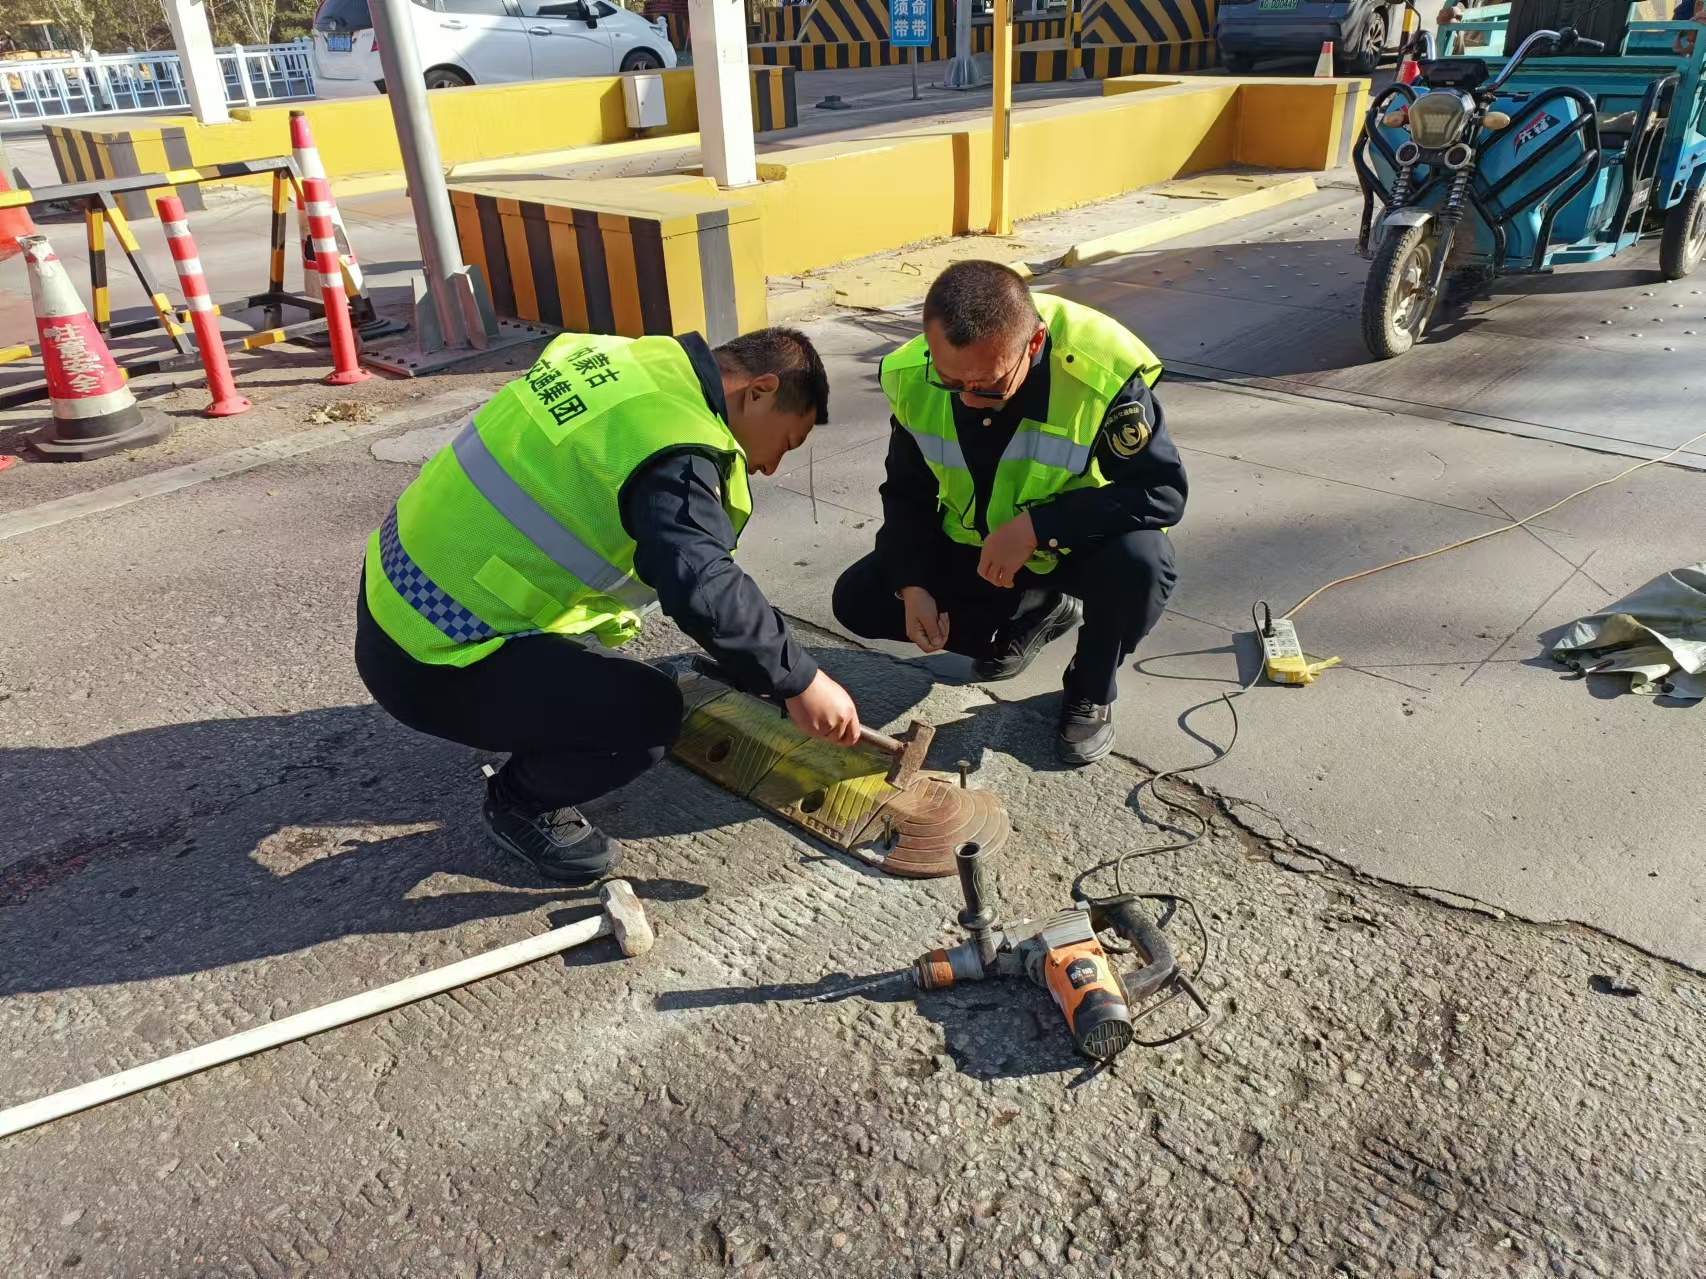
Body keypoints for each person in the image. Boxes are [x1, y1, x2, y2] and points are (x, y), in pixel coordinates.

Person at [355, 327, 861, 883]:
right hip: (432, 659)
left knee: (614, 676)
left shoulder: (623, 359)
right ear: (760, 390)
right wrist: (799, 680)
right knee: (644, 716)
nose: (770, 468)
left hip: (398, 596)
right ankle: (519, 802)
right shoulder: (675, 442)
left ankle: (541, 699)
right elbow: (699, 579)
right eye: (786, 443)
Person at [832, 260, 1185, 765]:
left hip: (1072, 546)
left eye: (988, 384)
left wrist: (1038, 527)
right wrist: (915, 586)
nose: (970, 400)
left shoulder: (1100, 372)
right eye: (952, 381)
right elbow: (906, 494)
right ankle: (1032, 615)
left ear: (1034, 344)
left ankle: (1090, 688)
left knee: (1143, 562)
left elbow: (1161, 492)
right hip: (981, 550)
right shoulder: (914, 376)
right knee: (860, 600)